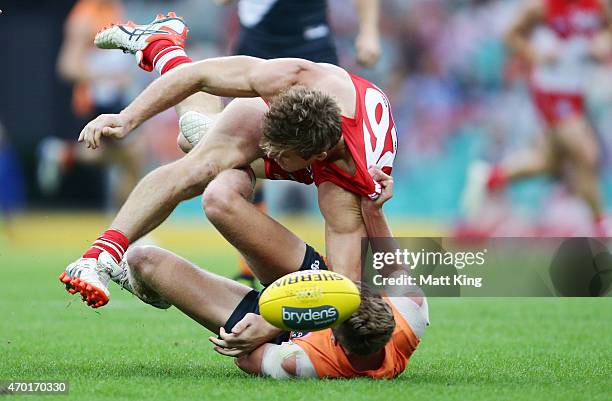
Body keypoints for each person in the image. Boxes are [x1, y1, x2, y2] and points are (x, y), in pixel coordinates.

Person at [59, 13, 397, 308]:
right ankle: (97, 257)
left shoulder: (349, 185)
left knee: (194, 140)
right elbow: (199, 76)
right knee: (198, 167)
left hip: (341, 153)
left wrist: (279, 320)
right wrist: (128, 117)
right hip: (309, 121)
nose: (264, 149)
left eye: (277, 153)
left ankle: (162, 46)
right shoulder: (294, 76)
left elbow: (346, 287)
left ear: (315, 159)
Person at [63, 165, 427, 379]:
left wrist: (266, 327)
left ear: (334, 336)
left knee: (144, 259)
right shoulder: (409, 314)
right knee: (219, 200)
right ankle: (232, 156)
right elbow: (391, 264)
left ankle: (147, 285)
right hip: (311, 276)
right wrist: (375, 208)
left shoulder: (301, 361)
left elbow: (244, 357)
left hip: (279, 332)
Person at [211, 0, 383, 286]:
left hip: (311, 46)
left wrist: (369, 31)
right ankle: (250, 263)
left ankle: (354, 273)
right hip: (258, 45)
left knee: (334, 159)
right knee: (245, 151)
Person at [462, 0, 612, 235]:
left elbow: (607, 31)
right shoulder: (542, 6)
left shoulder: (597, 5)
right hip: (550, 89)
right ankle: (602, 225)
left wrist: (604, 43)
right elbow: (510, 36)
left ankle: (489, 177)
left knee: (549, 163)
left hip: (577, 89)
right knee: (586, 152)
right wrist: (536, 53)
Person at [38, 0, 143, 208]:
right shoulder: (84, 17)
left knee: (124, 156)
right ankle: (128, 226)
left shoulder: (113, 8)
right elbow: (67, 67)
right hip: (96, 100)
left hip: (114, 98)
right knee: (135, 154)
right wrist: (109, 77)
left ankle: (63, 153)